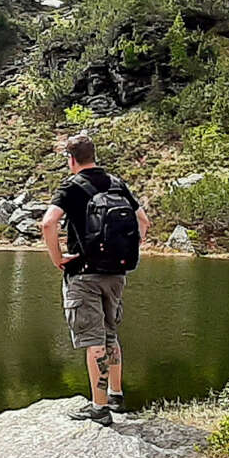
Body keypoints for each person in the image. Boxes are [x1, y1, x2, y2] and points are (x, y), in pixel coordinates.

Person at [40, 133, 149, 426]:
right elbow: (144, 222)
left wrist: (58, 258)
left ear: (71, 159)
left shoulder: (72, 186)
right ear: (94, 155)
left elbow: (48, 222)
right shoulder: (116, 183)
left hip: (84, 274)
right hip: (116, 273)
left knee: (94, 340)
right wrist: (126, 250)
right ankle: (116, 395)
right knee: (110, 333)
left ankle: (99, 409)